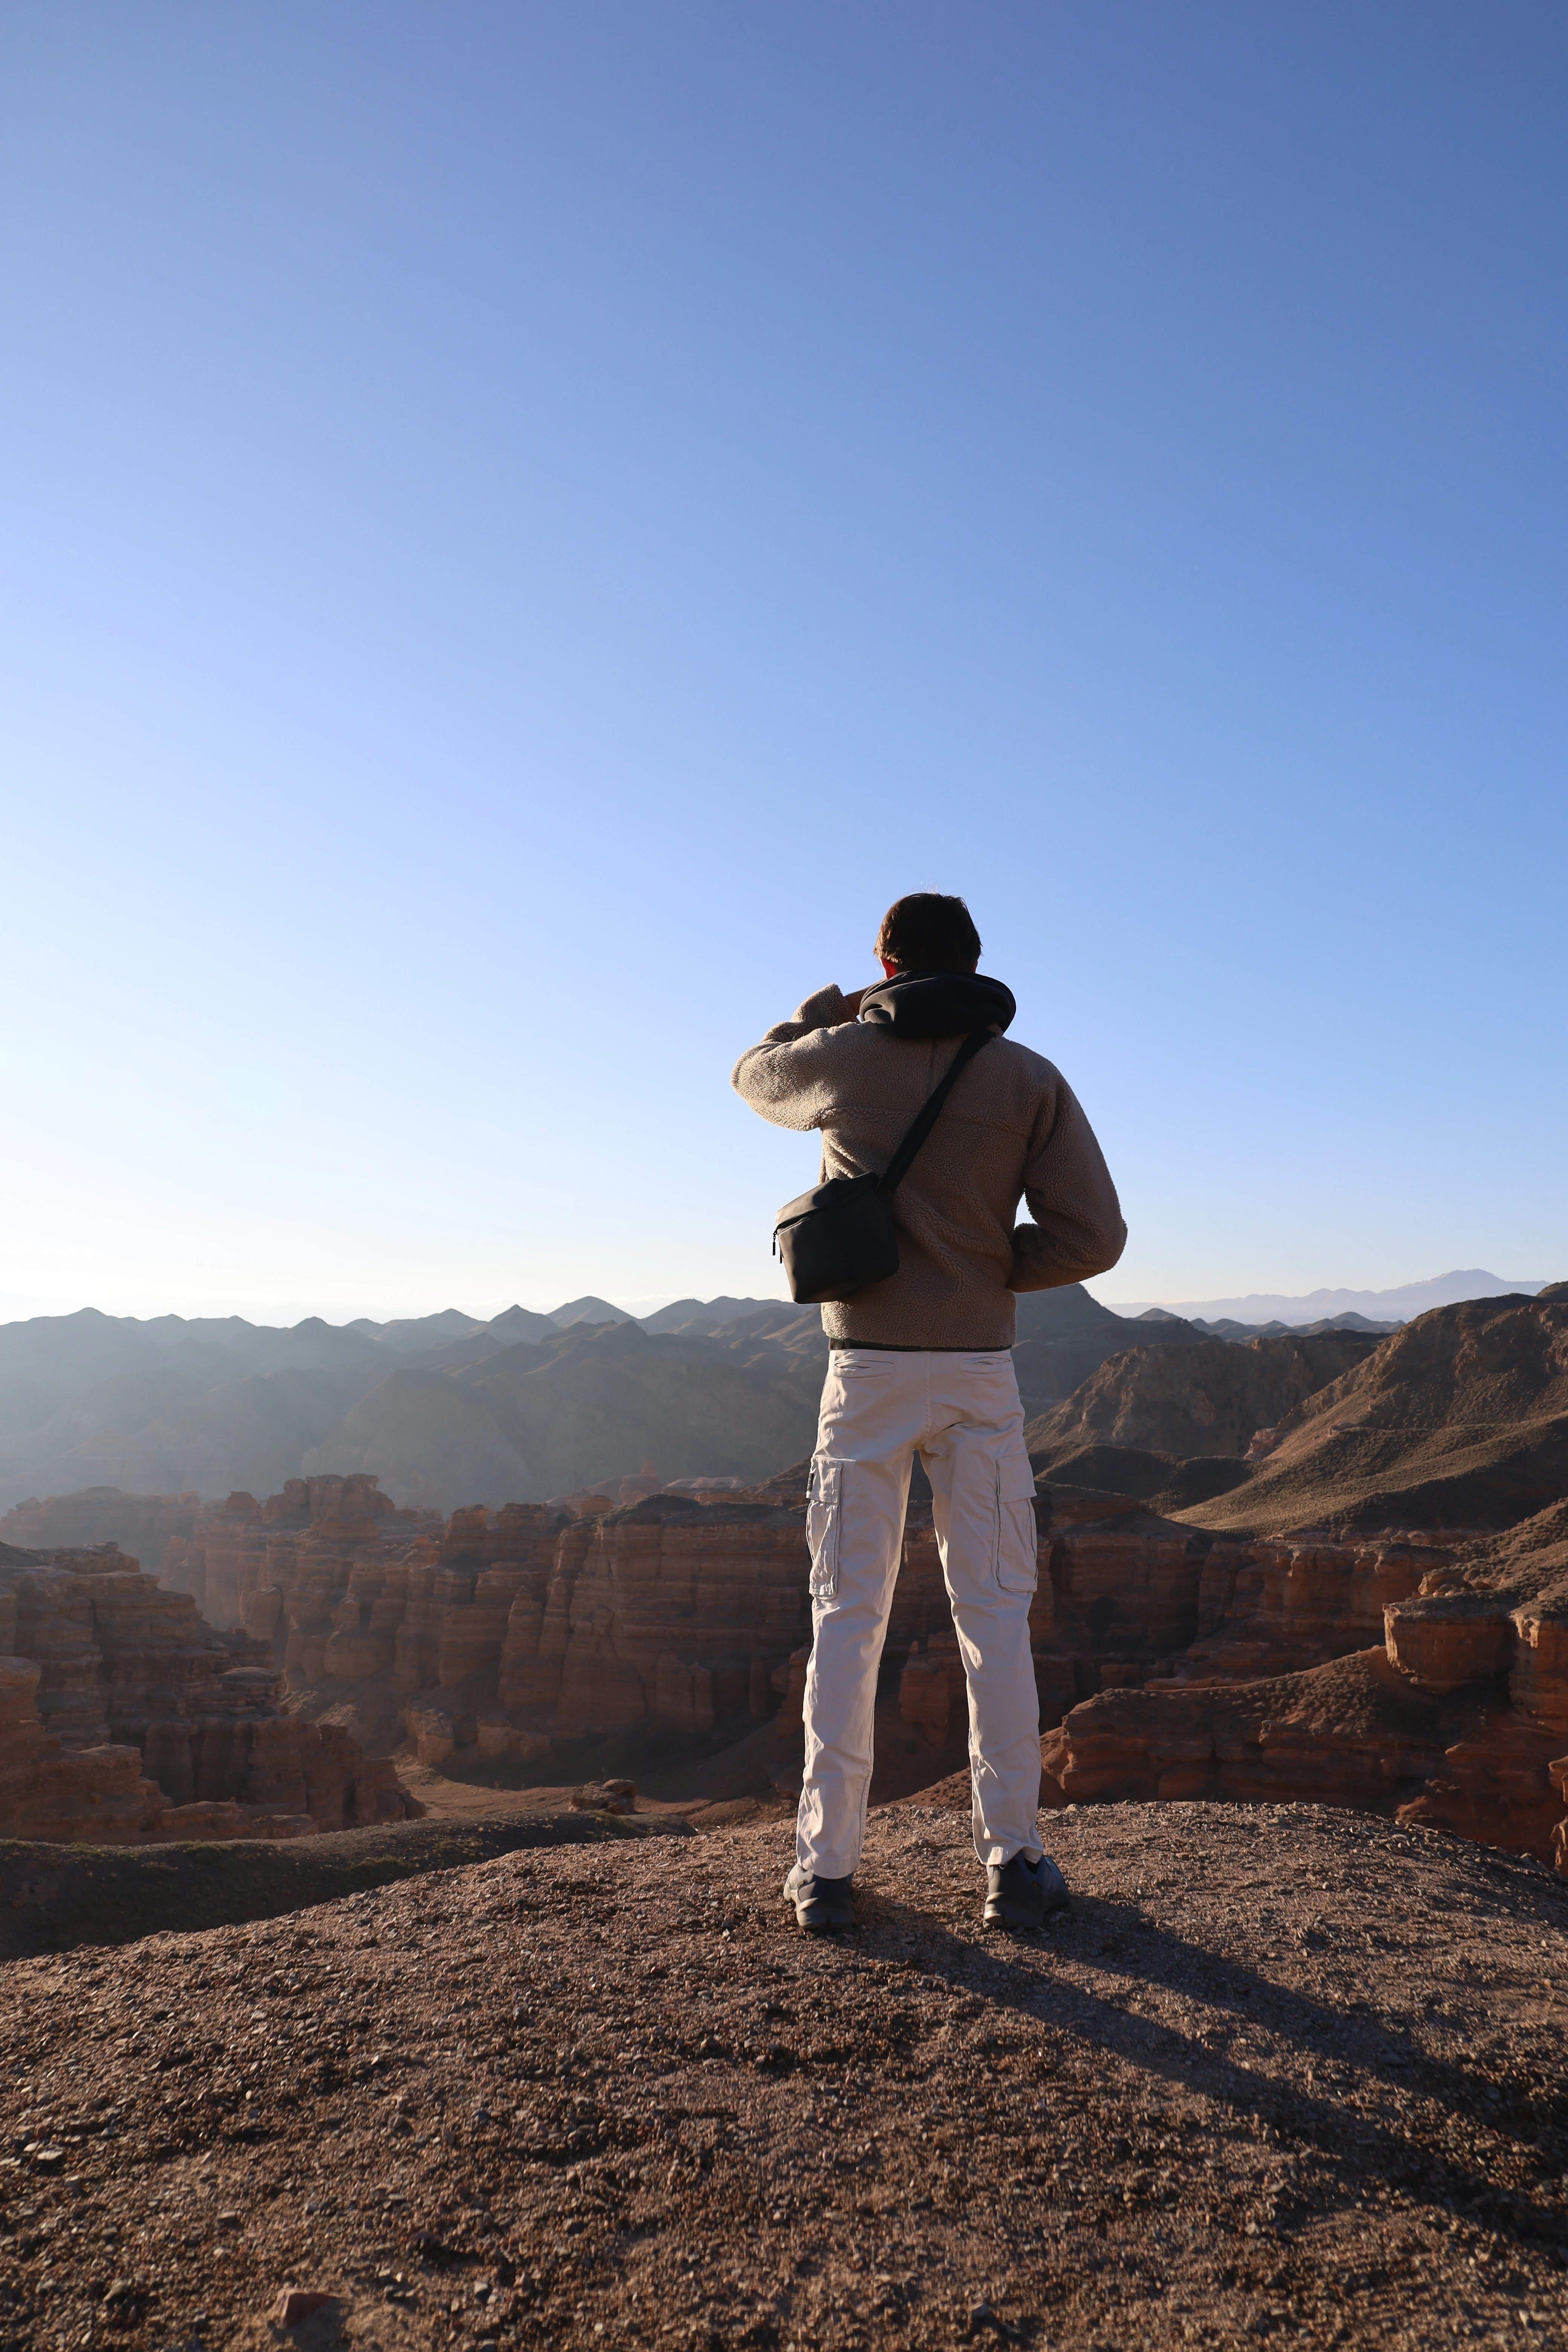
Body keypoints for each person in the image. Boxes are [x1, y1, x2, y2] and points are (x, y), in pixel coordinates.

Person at [732, 892, 1126, 1933]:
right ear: (976, 961)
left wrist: (813, 1014)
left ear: (887, 962)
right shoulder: (1029, 1078)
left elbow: (752, 1080)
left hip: (865, 1372)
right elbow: (1095, 1236)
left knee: (847, 1615)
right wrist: (991, 1268)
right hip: (979, 1374)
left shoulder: (846, 1057)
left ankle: (825, 1871)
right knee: (993, 1615)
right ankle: (1014, 1859)